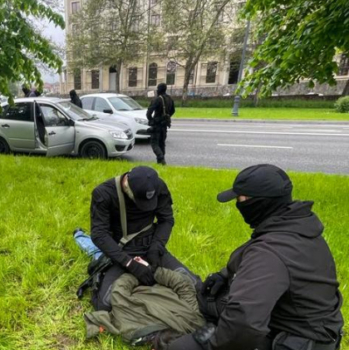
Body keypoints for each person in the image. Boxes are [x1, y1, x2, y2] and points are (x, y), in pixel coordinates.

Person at [163, 164, 344, 350]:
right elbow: (275, 266)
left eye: (241, 199)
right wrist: (225, 275)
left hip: (296, 341)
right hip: (311, 328)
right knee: (209, 299)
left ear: (257, 203)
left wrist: (208, 342)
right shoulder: (297, 228)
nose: (238, 205)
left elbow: (243, 325)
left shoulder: (269, 253)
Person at [84, 166, 176, 311]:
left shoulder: (157, 186)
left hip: (150, 245)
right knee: (105, 304)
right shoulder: (104, 193)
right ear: (126, 185)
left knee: (194, 285)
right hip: (122, 252)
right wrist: (130, 264)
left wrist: (156, 248)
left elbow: (166, 220)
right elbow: (99, 234)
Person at [147, 83, 175, 165]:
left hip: (157, 125)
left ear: (159, 89)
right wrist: (167, 116)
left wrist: (152, 120)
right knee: (162, 143)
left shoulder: (157, 99)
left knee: (154, 143)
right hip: (164, 125)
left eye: (157, 88)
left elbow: (149, 113)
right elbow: (173, 111)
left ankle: (161, 159)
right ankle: (160, 162)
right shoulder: (170, 99)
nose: (156, 90)